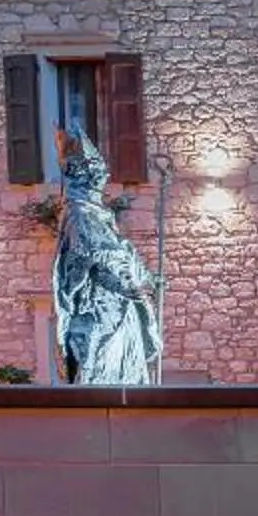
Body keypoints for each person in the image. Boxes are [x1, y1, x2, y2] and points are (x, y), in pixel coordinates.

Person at [53, 133, 161, 384]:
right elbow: (87, 258)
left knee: (129, 370)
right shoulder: (79, 214)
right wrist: (123, 284)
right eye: (97, 172)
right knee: (103, 368)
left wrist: (147, 278)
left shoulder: (100, 215)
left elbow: (121, 253)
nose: (103, 178)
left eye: (101, 172)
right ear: (84, 176)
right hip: (100, 309)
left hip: (123, 306)